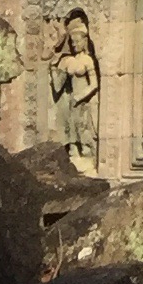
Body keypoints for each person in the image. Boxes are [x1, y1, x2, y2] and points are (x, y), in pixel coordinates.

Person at [48, 11, 100, 170]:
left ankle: (87, 156)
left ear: (84, 41)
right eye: (72, 42)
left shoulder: (88, 60)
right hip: (71, 101)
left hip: (83, 101)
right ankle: (73, 155)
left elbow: (95, 84)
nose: (74, 44)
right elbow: (58, 85)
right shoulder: (69, 60)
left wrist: (81, 96)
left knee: (83, 129)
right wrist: (54, 67)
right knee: (70, 130)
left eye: (77, 41)